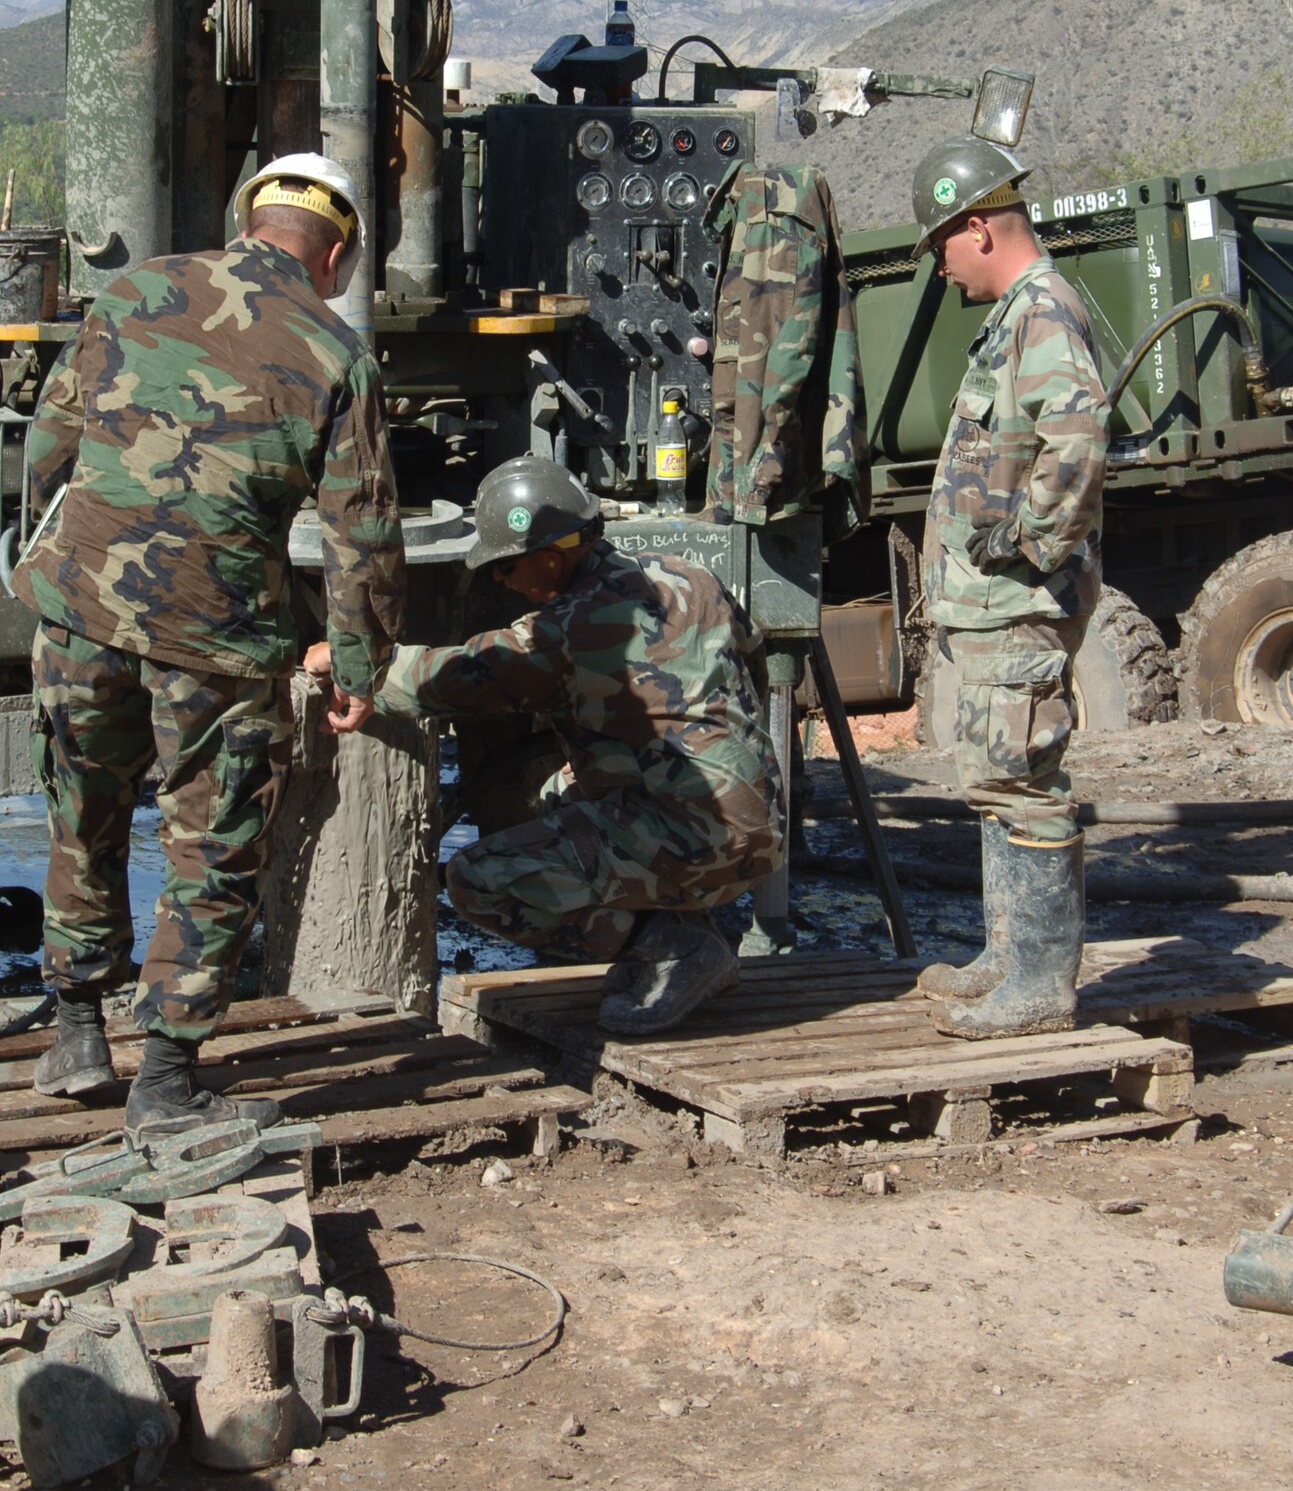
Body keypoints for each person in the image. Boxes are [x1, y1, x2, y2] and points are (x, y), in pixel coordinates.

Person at [15, 154, 405, 1141]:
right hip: (217, 637)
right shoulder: (334, 349)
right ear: (341, 251)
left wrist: (48, 558)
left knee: (81, 810)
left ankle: (75, 1032)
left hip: (79, 605)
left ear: (246, 218)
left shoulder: (135, 286)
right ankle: (169, 1079)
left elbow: (48, 442)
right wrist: (358, 665)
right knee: (211, 844)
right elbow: (362, 534)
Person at [304, 456, 783, 1036]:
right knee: (564, 793)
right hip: (764, 824)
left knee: (480, 882)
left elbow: (455, 676)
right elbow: (754, 674)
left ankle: (668, 946)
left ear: (551, 560)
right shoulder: (693, 578)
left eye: (505, 568)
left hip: (702, 841)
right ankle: (690, 931)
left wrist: (358, 666)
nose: (501, 582)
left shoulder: (570, 630)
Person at [911, 135, 1109, 1040]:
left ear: (978, 227)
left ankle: (1037, 986)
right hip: (993, 599)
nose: (940, 270)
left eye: (941, 246)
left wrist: (1026, 544)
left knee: (1023, 777)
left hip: (1017, 597)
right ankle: (1007, 957)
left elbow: (1075, 435)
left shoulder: (1040, 313)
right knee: (997, 772)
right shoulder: (1017, 315)